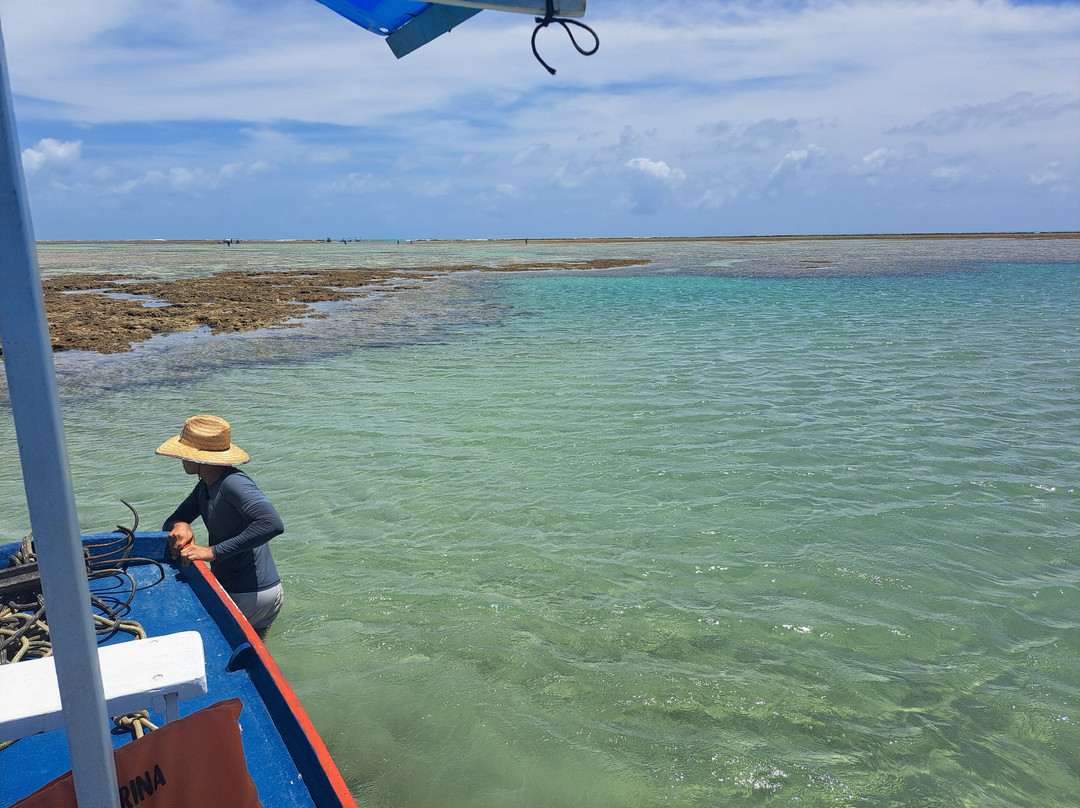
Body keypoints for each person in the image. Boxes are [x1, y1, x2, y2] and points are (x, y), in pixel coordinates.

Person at [156, 414, 285, 637]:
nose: (181, 460)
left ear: (199, 458)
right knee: (250, 656)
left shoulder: (233, 482)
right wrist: (181, 524)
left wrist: (212, 552)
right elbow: (173, 519)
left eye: (184, 455)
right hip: (259, 591)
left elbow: (271, 523)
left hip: (246, 593)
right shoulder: (205, 486)